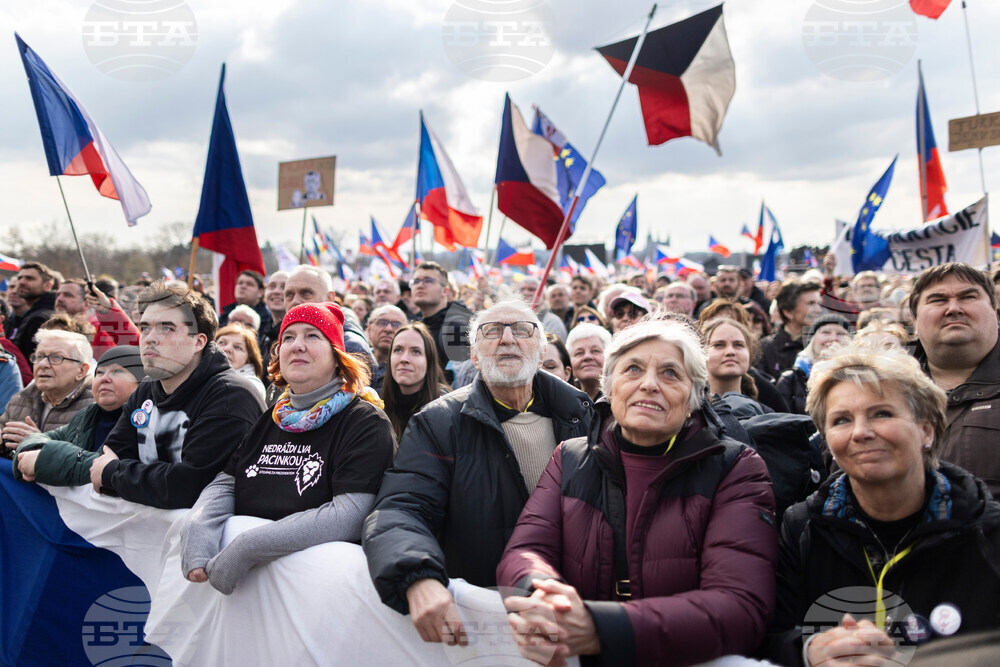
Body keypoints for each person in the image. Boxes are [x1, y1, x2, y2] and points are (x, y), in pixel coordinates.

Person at [497, 318, 778, 666]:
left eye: (671, 374)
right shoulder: (570, 458)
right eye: (633, 369)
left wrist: (603, 628)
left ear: (694, 398)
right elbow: (526, 548)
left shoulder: (735, 467)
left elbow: (740, 605)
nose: (649, 385)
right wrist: (542, 594)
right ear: (610, 387)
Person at [363, 299, 595, 646]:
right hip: (486, 625)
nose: (506, 339)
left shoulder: (587, 418)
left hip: (578, 615)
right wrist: (417, 575)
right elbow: (401, 508)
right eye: (491, 331)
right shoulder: (437, 423)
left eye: (521, 329)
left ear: (541, 347)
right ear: (473, 355)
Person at [764, 345, 1000, 666]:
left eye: (882, 413)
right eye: (842, 420)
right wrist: (809, 651)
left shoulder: (987, 530)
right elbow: (769, 636)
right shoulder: (801, 526)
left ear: (926, 429)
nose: (861, 432)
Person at [181, 302, 394, 594]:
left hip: (317, 596)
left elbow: (350, 515)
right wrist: (198, 527)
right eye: (289, 337)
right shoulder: (272, 417)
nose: (297, 346)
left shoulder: (365, 421)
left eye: (312, 336)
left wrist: (249, 546)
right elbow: (226, 483)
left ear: (337, 356)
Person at [87, 282, 265, 509]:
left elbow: (188, 488)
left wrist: (115, 475)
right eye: (145, 328)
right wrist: (119, 474)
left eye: (167, 328)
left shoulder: (232, 396)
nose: (150, 338)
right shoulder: (146, 389)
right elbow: (110, 453)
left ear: (198, 341)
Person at [907, 263, 1000, 496]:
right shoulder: (878, 382)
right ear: (914, 318)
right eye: (938, 300)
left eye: (968, 297)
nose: (953, 308)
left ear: (995, 310)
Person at [12, 346, 146, 484]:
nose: (104, 379)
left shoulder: (144, 422)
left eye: (117, 371)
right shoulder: (86, 415)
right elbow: (38, 438)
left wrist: (42, 460)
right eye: (99, 372)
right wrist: (30, 454)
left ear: (142, 383)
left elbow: (108, 467)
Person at [1, 329, 94, 458]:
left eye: (56, 357)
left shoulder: (96, 406)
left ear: (81, 370)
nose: (43, 364)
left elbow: (89, 463)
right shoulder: (21, 399)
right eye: (39, 357)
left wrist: (40, 444)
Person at [380, 323, 449, 441]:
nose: (404, 359)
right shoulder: (378, 407)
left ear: (429, 361)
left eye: (416, 352)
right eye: (398, 350)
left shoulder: (446, 410)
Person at [776, 314, 851, 415]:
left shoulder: (861, 377)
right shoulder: (790, 380)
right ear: (812, 340)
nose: (834, 338)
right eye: (826, 332)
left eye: (841, 334)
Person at [409, 262, 473, 376]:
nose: (420, 285)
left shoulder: (456, 327)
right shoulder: (417, 324)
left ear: (445, 291)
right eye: (416, 281)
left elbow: (462, 379)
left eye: (428, 281)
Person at [758, 279, 823, 380]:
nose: (818, 310)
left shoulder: (824, 345)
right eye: (811, 304)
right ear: (788, 312)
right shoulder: (764, 348)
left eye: (819, 303)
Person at [703, 318, 762, 404]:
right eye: (719, 345)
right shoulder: (687, 413)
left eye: (738, 345)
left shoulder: (766, 414)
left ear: (750, 353)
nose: (730, 352)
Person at [10, 262, 57, 360]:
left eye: (29, 278)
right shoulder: (32, 314)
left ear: (47, 285)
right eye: (20, 278)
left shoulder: (41, 319)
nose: (22, 282)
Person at [216, 324, 266, 401]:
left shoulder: (251, 385)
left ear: (249, 358)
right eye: (222, 343)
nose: (227, 349)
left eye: (237, 347)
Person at [366, 305, 408, 392]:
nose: (388, 329)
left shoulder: (407, 370)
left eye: (396, 325)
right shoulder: (355, 361)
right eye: (382, 322)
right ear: (369, 330)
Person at [567, 323, 611, 401]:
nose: (587, 357)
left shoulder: (619, 399)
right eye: (579, 353)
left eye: (595, 351)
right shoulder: (564, 403)